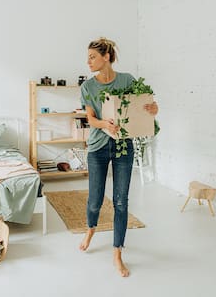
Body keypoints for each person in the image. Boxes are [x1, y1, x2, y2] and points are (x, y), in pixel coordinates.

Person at [79, 37, 158, 277]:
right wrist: (105, 124)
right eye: (88, 57)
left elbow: (144, 107)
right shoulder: (88, 87)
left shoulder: (127, 81)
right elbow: (90, 119)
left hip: (124, 147)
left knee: (121, 201)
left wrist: (153, 109)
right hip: (97, 148)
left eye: (92, 56)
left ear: (107, 57)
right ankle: (91, 228)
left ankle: (117, 252)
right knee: (95, 200)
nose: (88, 61)